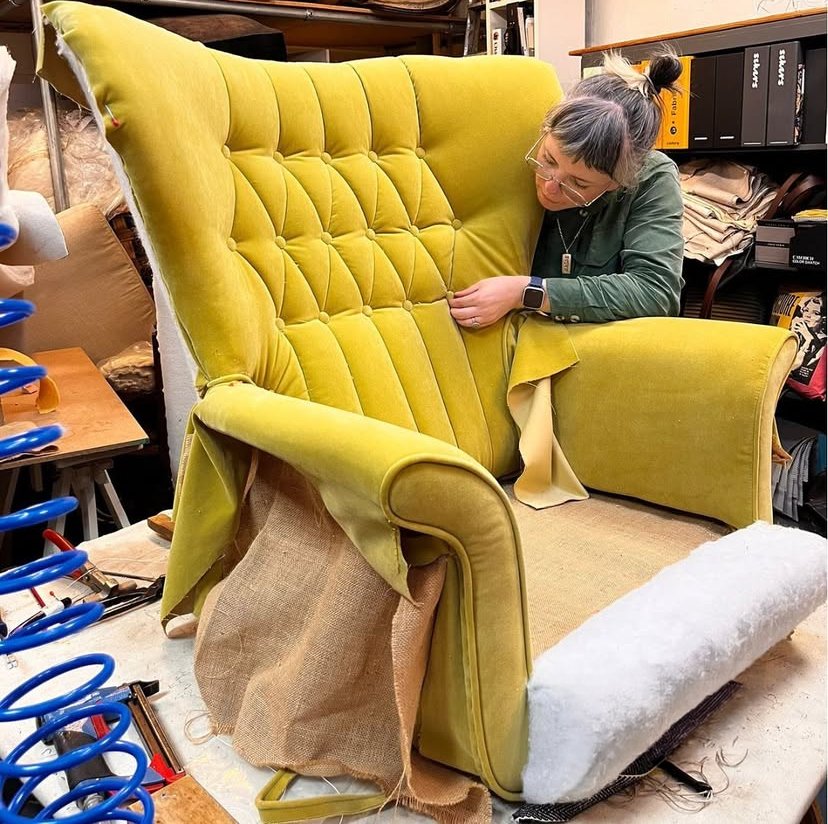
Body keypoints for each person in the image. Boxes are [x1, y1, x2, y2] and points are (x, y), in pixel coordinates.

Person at [449, 50, 685, 329]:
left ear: (618, 183)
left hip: (592, 342)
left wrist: (529, 292)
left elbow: (655, 292)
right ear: (546, 129)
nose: (550, 187)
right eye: (548, 160)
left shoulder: (653, 177)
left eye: (578, 183)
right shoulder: (515, 142)